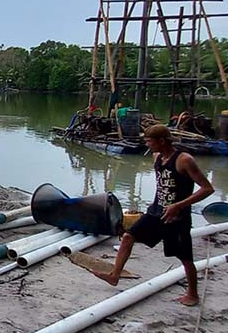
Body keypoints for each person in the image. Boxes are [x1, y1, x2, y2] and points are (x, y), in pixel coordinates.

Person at [91, 124, 214, 306]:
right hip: (156, 212)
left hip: (177, 217)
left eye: (150, 142)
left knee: (185, 257)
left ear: (162, 141)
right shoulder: (157, 157)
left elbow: (207, 188)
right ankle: (114, 275)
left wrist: (178, 205)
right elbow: (163, 185)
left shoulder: (184, 160)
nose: (147, 145)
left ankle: (193, 294)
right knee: (128, 237)